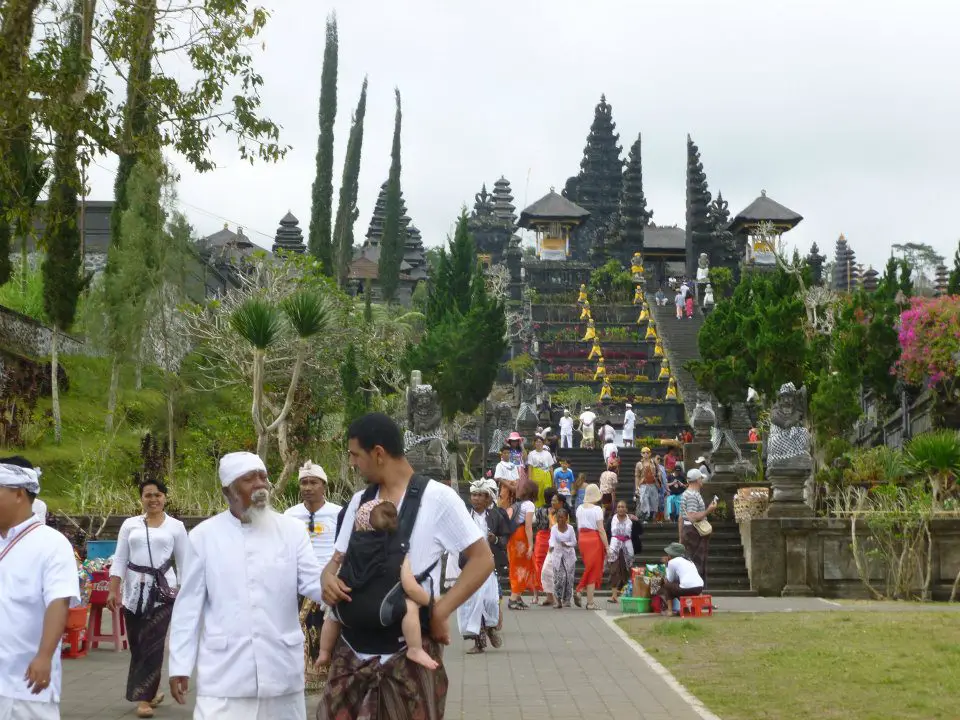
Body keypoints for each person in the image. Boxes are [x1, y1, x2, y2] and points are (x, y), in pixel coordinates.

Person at [318, 414, 492, 720]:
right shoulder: (359, 502)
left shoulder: (438, 499)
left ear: (379, 453)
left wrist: (441, 610)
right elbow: (336, 563)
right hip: (352, 651)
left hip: (408, 655)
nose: (353, 463)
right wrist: (326, 579)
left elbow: (482, 560)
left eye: (355, 455)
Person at [168, 451, 325, 720]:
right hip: (224, 677)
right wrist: (179, 665)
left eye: (263, 477)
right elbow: (188, 607)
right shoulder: (204, 536)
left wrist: (351, 582)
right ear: (228, 490)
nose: (260, 484)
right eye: (249, 479)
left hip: (281, 672)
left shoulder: (292, 531)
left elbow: (315, 584)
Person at [0, 461, 80, 720]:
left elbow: (59, 601)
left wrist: (45, 655)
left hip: (25, 682)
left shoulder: (52, 543)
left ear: (19, 493)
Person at [319, 500, 437, 670]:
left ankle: (324, 651)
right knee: (410, 606)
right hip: (383, 611)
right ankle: (415, 649)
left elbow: (336, 565)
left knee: (332, 615)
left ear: (359, 523)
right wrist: (431, 601)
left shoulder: (349, 549)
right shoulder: (399, 553)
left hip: (347, 610)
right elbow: (410, 587)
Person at [108, 479, 190, 719]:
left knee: (152, 645)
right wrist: (114, 589)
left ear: (165, 497)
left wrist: (186, 596)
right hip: (134, 591)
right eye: (148, 495)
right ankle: (151, 691)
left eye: (158, 494)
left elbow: (185, 563)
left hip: (163, 592)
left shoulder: (176, 526)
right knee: (137, 644)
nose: (153, 499)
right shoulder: (129, 525)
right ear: (141, 498)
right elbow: (120, 558)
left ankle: (143, 699)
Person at [283, 460, 342, 685]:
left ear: (324, 486)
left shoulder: (337, 513)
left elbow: (343, 548)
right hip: (298, 582)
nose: (307, 487)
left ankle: (329, 673)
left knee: (328, 626)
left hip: (329, 580)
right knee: (300, 629)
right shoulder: (290, 515)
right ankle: (303, 675)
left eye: (313, 482)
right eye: (304, 483)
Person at [457, 478, 507, 655]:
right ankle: (479, 642)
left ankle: (491, 627)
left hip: (489, 566)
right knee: (473, 603)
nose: (476, 498)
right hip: (470, 566)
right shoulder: (464, 516)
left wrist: (496, 540)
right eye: (473, 495)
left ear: (487, 499)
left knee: (489, 601)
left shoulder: (495, 516)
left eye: (480, 495)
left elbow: (504, 539)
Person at [679, 469, 717, 588]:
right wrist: (708, 510)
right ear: (697, 480)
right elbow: (693, 517)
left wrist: (680, 536)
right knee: (697, 564)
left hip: (689, 531)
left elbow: (681, 517)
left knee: (695, 564)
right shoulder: (691, 495)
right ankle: (697, 595)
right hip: (693, 532)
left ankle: (698, 595)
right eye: (701, 478)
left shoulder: (688, 493)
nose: (702, 480)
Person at [574, 484, 609, 611]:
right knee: (592, 570)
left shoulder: (579, 508)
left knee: (590, 569)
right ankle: (579, 590)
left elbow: (578, 527)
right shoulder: (597, 509)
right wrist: (607, 546)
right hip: (594, 540)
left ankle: (589, 602)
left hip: (582, 538)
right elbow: (601, 530)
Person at [505, 483, 537, 611]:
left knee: (515, 565)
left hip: (513, 536)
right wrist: (530, 545)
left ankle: (517, 597)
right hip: (522, 536)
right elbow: (528, 526)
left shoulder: (516, 504)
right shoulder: (529, 505)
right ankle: (513, 598)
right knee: (522, 567)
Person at [605, 501, 643, 604]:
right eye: (619, 507)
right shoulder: (611, 519)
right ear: (616, 509)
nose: (621, 509)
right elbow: (607, 532)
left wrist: (637, 520)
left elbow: (640, 531)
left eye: (623, 507)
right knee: (614, 569)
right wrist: (606, 546)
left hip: (627, 545)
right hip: (614, 545)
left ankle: (625, 592)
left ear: (626, 509)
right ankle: (614, 595)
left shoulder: (631, 520)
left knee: (627, 570)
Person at [532, 489, 560, 608]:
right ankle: (551, 594)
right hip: (551, 537)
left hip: (540, 536)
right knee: (550, 566)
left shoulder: (538, 510)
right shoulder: (554, 511)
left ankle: (535, 595)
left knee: (538, 565)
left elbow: (534, 523)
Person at [660, 543, 704, 615]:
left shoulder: (672, 562)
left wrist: (666, 565)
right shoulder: (689, 560)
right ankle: (686, 609)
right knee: (676, 587)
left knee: (667, 586)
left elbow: (669, 580)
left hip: (687, 588)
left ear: (671, 554)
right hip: (699, 587)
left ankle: (670, 611)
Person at [548, 508, 577, 609]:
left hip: (569, 555)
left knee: (569, 578)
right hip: (558, 555)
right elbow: (551, 540)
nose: (559, 519)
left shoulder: (570, 528)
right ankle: (558, 600)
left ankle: (567, 599)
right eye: (558, 517)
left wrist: (567, 544)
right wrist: (551, 546)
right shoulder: (554, 528)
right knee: (560, 577)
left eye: (562, 517)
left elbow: (574, 542)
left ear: (566, 518)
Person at [526, 436, 555, 506]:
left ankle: (546, 508)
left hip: (546, 476)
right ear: (534, 443)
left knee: (546, 493)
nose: (538, 443)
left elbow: (551, 467)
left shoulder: (547, 454)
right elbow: (530, 467)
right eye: (537, 442)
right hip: (536, 476)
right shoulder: (531, 454)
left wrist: (553, 479)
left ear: (543, 443)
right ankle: (536, 510)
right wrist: (529, 480)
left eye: (540, 442)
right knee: (537, 493)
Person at [635, 447, 659, 521]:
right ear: (641, 454)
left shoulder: (654, 463)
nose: (646, 454)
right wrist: (636, 487)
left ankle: (651, 516)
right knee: (644, 500)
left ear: (650, 454)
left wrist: (659, 483)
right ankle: (645, 516)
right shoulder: (639, 464)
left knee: (653, 501)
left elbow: (658, 473)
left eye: (647, 452)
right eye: (644, 452)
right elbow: (637, 476)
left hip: (653, 484)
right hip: (643, 485)